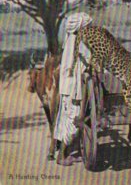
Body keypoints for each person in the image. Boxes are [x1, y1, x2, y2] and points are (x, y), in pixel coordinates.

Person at [53, 12, 93, 166]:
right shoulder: (79, 42)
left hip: (68, 86)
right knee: (73, 119)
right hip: (73, 87)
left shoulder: (70, 40)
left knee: (68, 119)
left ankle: (68, 152)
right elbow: (90, 58)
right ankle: (61, 156)